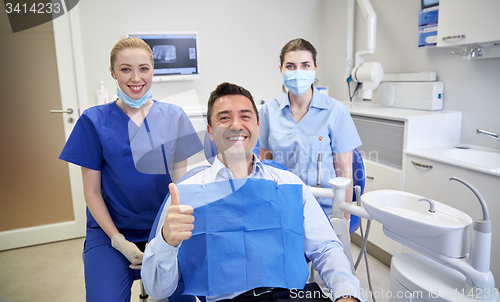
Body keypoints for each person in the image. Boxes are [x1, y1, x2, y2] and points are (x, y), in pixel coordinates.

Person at [142, 82, 364, 302]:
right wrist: (165, 242)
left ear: (257, 127)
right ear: (210, 132)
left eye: (245, 116)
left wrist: (346, 294)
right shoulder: (186, 194)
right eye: (224, 117)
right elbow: (158, 290)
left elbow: (326, 248)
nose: (236, 125)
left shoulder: (290, 184)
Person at [59, 37, 203, 301]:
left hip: (163, 229)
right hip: (111, 233)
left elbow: (180, 185)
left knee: (187, 295)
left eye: (144, 68)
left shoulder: (174, 116)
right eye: (125, 69)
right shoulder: (93, 120)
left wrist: (168, 236)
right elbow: (91, 192)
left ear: (153, 71)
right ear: (112, 72)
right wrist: (118, 241)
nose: (136, 77)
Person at [258, 38, 362, 217]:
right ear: (281, 69)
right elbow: (266, 163)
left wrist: (343, 222)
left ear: (315, 68)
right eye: (290, 66)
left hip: (326, 209)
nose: (298, 71)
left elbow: (345, 175)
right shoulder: (269, 110)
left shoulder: (336, 111)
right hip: (282, 206)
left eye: (305, 65)